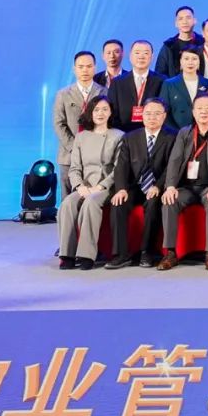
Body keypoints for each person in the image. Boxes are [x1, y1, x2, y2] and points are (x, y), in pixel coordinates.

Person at [158, 93, 208, 271]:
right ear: (193, 111)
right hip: (187, 187)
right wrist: (170, 187)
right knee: (169, 201)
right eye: (199, 108)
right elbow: (174, 161)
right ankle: (170, 253)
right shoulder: (185, 132)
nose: (203, 112)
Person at [106, 97, 175, 270]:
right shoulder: (130, 137)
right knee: (118, 203)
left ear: (164, 116)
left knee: (153, 204)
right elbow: (121, 166)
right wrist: (121, 189)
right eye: (148, 113)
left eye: (157, 114)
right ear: (142, 115)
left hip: (157, 186)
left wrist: (158, 186)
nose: (152, 117)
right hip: (135, 185)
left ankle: (147, 252)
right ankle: (121, 254)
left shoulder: (172, 137)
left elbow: (172, 167)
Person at [57, 97, 124, 270]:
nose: (100, 113)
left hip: (106, 186)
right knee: (67, 204)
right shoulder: (81, 137)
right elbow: (74, 168)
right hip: (84, 185)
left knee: (90, 203)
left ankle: (86, 255)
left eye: (105, 109)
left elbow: (119, 169)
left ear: (111, 112)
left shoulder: (118, 136)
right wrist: (80, 186)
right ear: (90, 113)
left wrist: (100, 186)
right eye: (96, 110)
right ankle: (67, 254)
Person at [53, 50, 106, 199]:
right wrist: (74, 147)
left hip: (95, 155)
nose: (85, 70)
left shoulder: (104, 92)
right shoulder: (63, 94)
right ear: (74, 69)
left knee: (92, 197)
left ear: (95, 68)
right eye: (81, 67)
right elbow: (59, 123)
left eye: (89, 66)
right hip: (68, 155)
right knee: (67, 198)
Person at [108, 40, 165, 131]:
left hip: (153, 132)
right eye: (137, 53)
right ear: (130, 56)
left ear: (152, 57)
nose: (141, 57)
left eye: (146, 53)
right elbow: (112, 113)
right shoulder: (117, 82)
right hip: (123, 133)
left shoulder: (162, 81)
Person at [157, 47, 208, 130]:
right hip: (176, 132)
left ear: (199, 62)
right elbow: (163, 111)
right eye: (186, 59)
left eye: (194, 59)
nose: (190, 62)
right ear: (181, 61)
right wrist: (176, 132)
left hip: (203, 131)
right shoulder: (169, 84)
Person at [155, 5, 204, 78]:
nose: (185, 22)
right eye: (181, 19)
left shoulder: (203, 43)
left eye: (188, 18)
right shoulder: (169, 46)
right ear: (176, 24)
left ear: (195, 21)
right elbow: (160, 74)